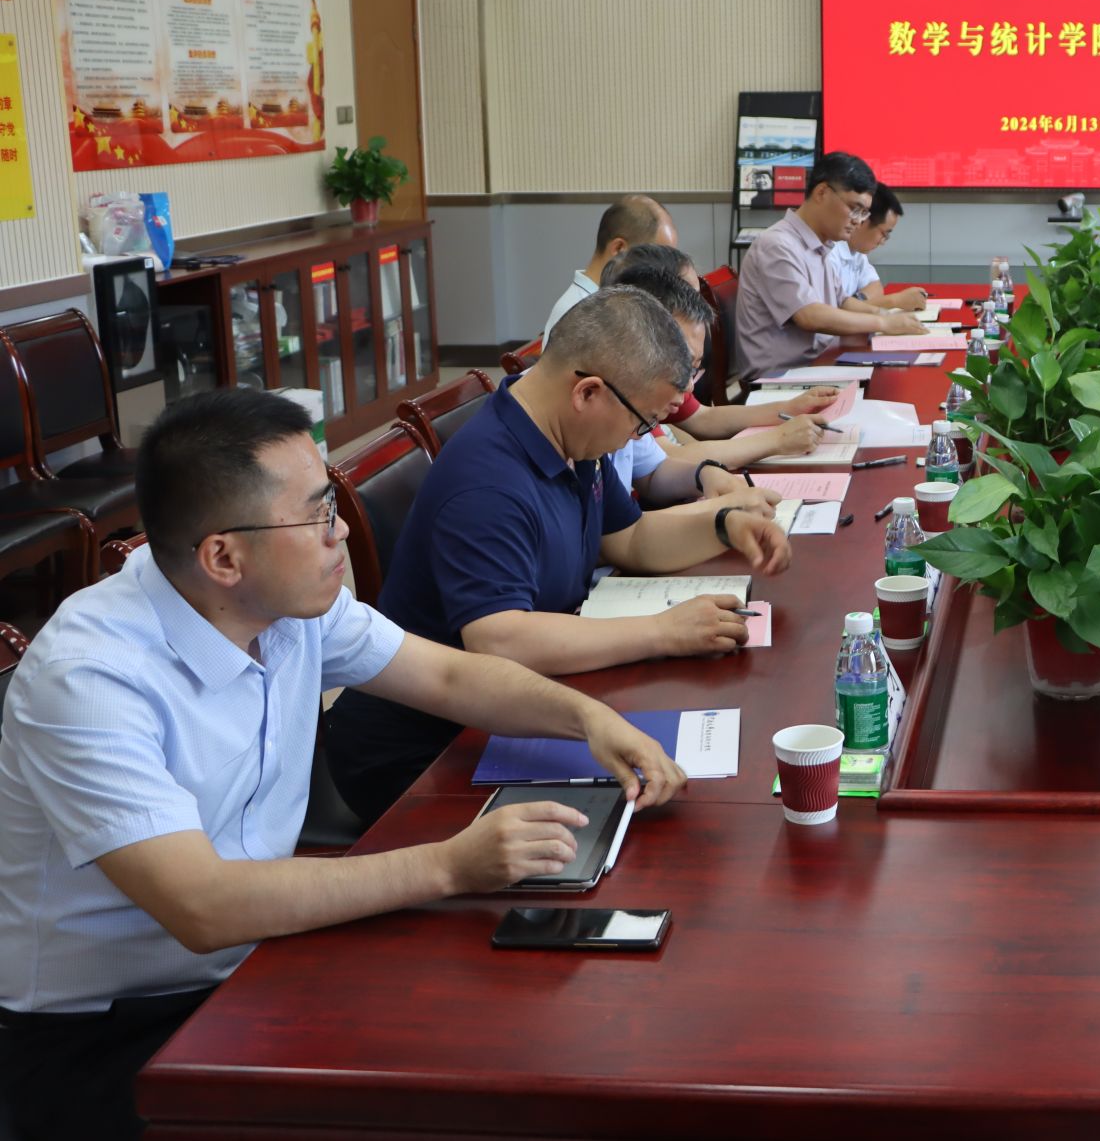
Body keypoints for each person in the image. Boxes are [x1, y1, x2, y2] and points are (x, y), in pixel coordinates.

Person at [0, 390, 683, 1140]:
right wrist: (451, 865)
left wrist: (588, 718)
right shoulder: (90, 679)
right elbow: (203, 906)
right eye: (318, 515)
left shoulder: (283, 600)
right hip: (109, 1033)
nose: (340, 534)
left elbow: (447, 675)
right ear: (223, 556)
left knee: (508, 1032)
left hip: (259, 955)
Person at [325, 288, 792, 822]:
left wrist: (724, 526)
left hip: (516, 704)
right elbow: (500, 638)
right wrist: (662, 631)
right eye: (641, 423)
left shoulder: (570, 440)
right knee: (659, 815)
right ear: (588, 392)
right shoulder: (487, 481)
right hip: (427, 751)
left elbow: (630, 539)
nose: (636, 439)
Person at [603, 259, 830, 498]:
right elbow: (669, 459)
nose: (689, 386)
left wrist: (789, 408)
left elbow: (701, 419)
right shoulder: (627, 399)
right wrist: (778, 440)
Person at [731, 152, 925, 379]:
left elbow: (843, 302)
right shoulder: (777, 245)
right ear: (822, 192)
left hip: (817, 363)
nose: (858, 221)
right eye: (854, 208)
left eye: (863, 213)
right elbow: (810, 315)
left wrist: (887, 315)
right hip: (780, 378)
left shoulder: (820, 244)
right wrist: (883, 322)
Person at [543, 194, 681, 340]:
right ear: (619, 249)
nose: (663, 272)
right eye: (657, 258)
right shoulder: (576, 314)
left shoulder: (609, 304)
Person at [829, 183, 928, 313]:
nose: (882, 242)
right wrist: (895, 301)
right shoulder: (829, 253)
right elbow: (831, 314)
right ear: (864, 220)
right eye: (884, 234)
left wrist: (855, 302)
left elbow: (875, 287)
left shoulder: (857, 252)